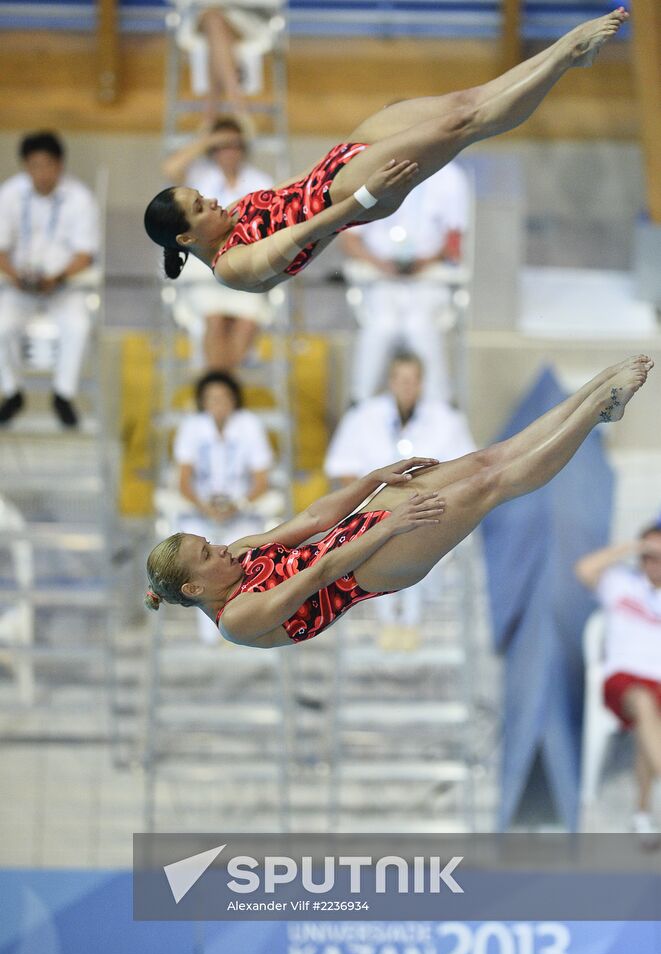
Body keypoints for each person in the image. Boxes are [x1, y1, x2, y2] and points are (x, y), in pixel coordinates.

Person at [144, 355, 653, 651]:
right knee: (490, 486)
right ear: (193, 586)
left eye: (209, 542)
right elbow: (317, 577)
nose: (221, 549)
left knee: (483, 461)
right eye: (208, 554)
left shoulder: (242, 551)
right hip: (367, 571)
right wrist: (387, 527)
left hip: (354, 536)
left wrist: (372, 480)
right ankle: (592, 417)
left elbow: (312, 521)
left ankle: (594, 394)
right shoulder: (236, 619)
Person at [144, 9, 629, 293]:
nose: (209, 200)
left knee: (465, 100)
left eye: (198, 194)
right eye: (197, 207)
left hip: (337, 165)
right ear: (186, 239)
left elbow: (291, 200)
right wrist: (366, 201)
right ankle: (566, 56)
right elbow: (312, 229)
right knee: (464, 124)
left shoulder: (229, 216)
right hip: (350, 193)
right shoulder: (232, 267)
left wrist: (339, 163)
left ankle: (569, 53)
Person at [324, 350, 475, 649]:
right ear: (390, 381)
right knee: (379, 543)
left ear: (422, 382)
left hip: (430, 511)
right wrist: (370, 508)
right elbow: (342, 468)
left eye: (413, 379)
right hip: (373, 512)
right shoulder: (362, 416)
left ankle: (411, 622)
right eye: (401, 379)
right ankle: (388, 622)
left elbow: (466, 468)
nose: (407, 385)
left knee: (418, 539)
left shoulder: (446, 419)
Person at [341, 162, 469, 403]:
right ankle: (360, 403)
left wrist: (425, 262)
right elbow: (350, 240)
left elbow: (454, 242)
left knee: (419, 327)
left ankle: (437, 406)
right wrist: (381, 265)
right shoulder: (374, 169)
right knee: (382, 326)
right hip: (379, 277)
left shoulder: (451, 177)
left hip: (428, 278)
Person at [0, 131, 100, 427]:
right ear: (25, 166)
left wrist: (56, 278)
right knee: (1, 325)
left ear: (60, 165)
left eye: (48, 165)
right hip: (19, 283)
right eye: (34, 165)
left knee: (78, 325)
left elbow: (85, 253)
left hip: (63, 285)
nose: (42, 173)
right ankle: (12, 391)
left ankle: (63, 394)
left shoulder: (80, 198)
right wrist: (15, 275)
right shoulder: (9, 194)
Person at [170, 368, 275, 640]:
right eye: (211, 398)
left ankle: (239, 625)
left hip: (240, 508)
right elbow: (183, 480)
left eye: (224, 397)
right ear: (203, 401)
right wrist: (205, 508)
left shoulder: (249, 424)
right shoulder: (192, 426)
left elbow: (261, 479)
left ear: (234, 399)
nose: (218, 404)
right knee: (195, 561)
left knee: (239, 556)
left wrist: (238, 505)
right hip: (200, 509)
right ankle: (213, 633)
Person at [162, 117, 274, 369]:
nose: (229, 152)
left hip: (245, 264)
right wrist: (210, 138)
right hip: (204, 268)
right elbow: (170, 168)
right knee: (214, 321)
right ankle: (217, 389)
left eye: (234, 145)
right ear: (212, 150)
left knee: (247, 322)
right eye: (222, 146)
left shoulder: (260, 181)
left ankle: (222, 389)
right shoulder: (198, 179)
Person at [575, 521, 661, 839]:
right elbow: (584, 569)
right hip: (623, 681)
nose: (655, 561)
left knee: (650, 719)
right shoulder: (620, 583)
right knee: (643, 701)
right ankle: (642, 812)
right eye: (650, 555)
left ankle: (641, 813)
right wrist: (635, 547)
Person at [171, 0, 283, 119]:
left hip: (251, 17)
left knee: (215, 24)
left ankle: (211, 113)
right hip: (203, 16)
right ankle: (238, 104)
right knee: (214, 20)